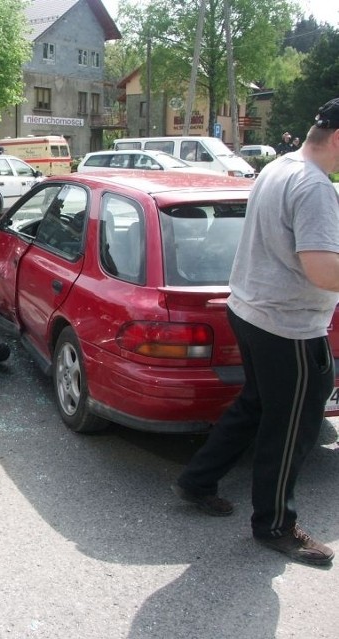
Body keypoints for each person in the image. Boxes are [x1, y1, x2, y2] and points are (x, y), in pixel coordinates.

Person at [173, 97, 339, 566]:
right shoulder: (315, 187)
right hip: (289, 328)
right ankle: (274, 525)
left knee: (257, 404)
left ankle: (198, 479)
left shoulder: (281, 166)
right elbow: (324, 270)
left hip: (249, 312)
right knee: (292, 428)